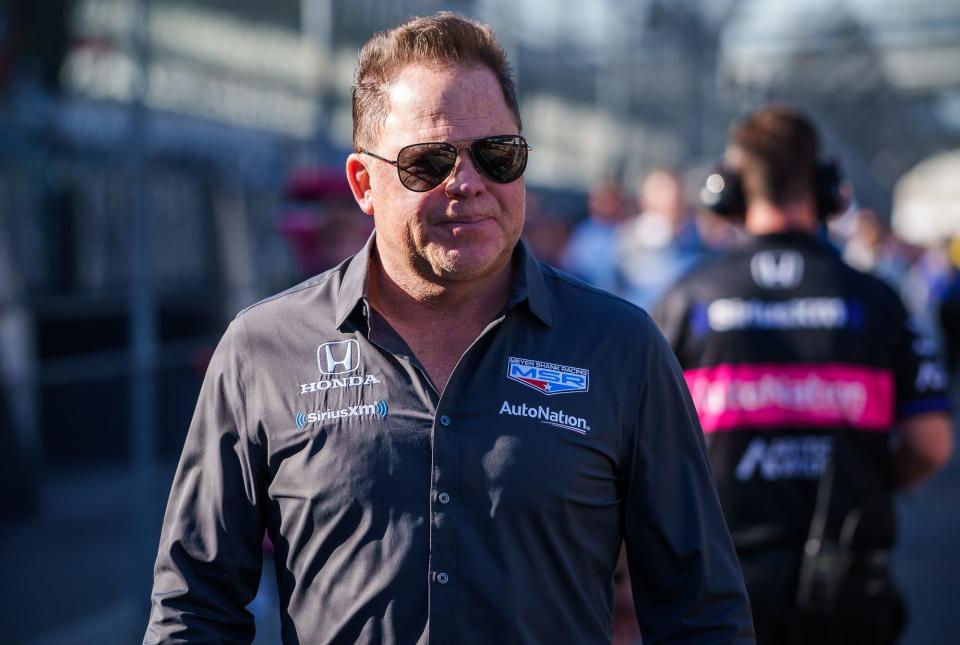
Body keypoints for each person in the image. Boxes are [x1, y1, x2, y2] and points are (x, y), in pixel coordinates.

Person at [144, 12, 753, 644]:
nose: (467, 183)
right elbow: (193, 608)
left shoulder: (622, 349)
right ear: (363, 183)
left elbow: (701, 610)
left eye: (498, 155)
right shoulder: (263, 352)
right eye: (428, 162)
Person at [654, 105, 954, 644]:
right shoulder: (879, 300)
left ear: (730, 193)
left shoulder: (682, 301)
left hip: (716, 587)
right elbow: (930, 443)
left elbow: (641, 456)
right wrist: (873, 478)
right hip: (846, 590)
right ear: (827, 187)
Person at [617, 167, 708, 310]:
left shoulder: (700, 242)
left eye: (676, 191)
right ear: (645, 200)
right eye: (662, 190)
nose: (672, 197)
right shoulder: (625, 241)